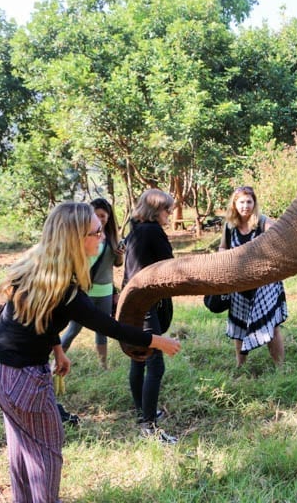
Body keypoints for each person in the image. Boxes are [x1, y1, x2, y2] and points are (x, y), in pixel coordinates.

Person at [0, 202, 181, 503]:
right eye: (96, 232)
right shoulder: (65, 289)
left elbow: (38, 317)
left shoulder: (40, 264)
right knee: (46, 449)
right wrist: (157, 341)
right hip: (19, 377)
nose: (102, 237)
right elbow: (110, 327)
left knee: (22, 444)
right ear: (74, 238)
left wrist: (58, 349)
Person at [122, 188, 177, 443]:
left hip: (130, 301)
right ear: (157, 210)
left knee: (138, 358)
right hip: (145, 304)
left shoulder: (135, 230)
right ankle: (150, 427)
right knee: (155, 363)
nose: (170, 214)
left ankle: (142, 411)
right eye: (168, 209)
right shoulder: (152, 231)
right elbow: (169, 263)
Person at [218, 185, 287, 367]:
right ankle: (240, 366)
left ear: (254, 203)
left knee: (272, 326)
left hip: (265, 284)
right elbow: (222, 248)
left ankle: (280, 366)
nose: (245, 206)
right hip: (239, 285)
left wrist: (262, 244)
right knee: (239, 327)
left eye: (249, 202)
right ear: (234, 204)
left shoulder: (263, 222)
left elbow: (280, 238)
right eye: (241, 202)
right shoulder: (229, 227)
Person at [60, 198, 124, 369]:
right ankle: (56, 360)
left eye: (103, 216)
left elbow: (117, 264)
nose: (100, 219)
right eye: (96, 215)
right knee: (73, 329)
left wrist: (120, 253)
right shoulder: (83, 238)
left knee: (102, 330)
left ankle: (103, 364)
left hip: (105, 291)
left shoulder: (113, 238)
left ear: (109, 217)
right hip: (85, 291)